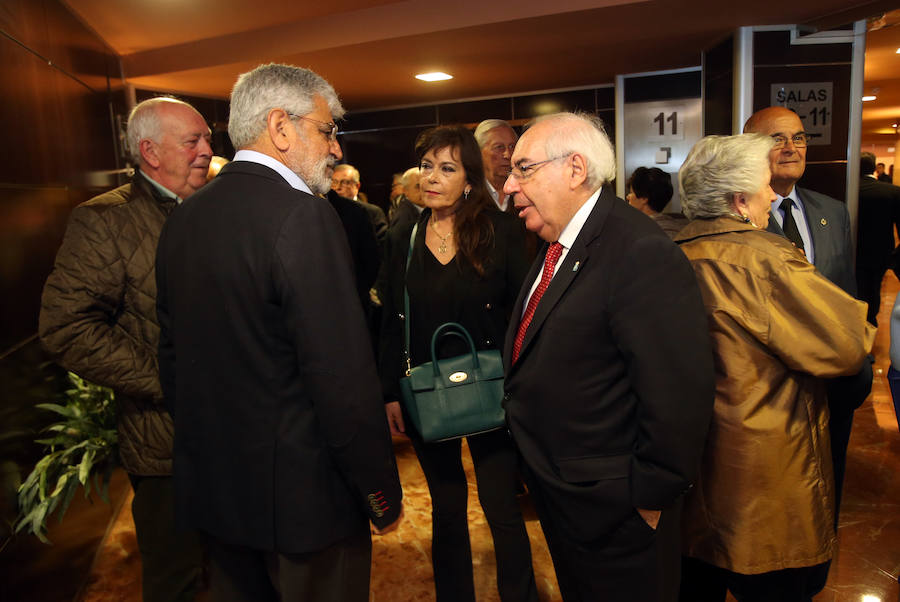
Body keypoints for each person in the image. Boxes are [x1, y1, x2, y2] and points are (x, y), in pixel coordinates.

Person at [155, 63, 402, 602]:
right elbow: (340, 377)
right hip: (305, 506)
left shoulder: (184, 218)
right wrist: (379, 493)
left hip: (219, 497)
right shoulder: (304, 218)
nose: (335, 149)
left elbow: (172, 359)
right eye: (328, 129)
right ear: (281, 127)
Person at [501, 112, 715, 602]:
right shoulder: (560, 243)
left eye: (524, 168)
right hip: (569, 498)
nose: (510, 185)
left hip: (617, 513)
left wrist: (649, 500)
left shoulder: (638, 250)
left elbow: (679, 395)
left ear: (575, 169)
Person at [674, 133, 875, 602]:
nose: (772, 194)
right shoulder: (764, 258)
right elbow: (847, 344)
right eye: (766, 184)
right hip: (764, 473)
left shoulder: (670, 251)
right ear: (740, 199)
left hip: (691, 465)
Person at [39, 96, 211, 602]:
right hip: (165, 445)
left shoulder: (215, 207)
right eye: (192, 141)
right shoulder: (105, 221)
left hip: (233, 435)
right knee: (177, 579)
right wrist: (169, 380)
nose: (207, 150)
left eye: (206, 138)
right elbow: (65, 327)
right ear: (150, 152)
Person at [379, 125, 537, 602]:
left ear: (469, 179)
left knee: (500, 506)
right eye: (427, 166)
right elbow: (390, 318)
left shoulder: (501, 231)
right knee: (447, 508)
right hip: (427, 392)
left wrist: (524, 384)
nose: (431, 177)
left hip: (491, 385)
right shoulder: (404, 236)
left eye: (446, 168)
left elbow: (524, 313)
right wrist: (389, 389)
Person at [743, 106, 872, 538]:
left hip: (834, 384)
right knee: (777, 497)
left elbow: (846, 296)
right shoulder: (739, 219)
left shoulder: (832, 212)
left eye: (798, 138)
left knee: (829, 478)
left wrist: (859, 369)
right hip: (774, 394)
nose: (791, 148)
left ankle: (820, 561)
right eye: (776, 139)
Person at [856, 151, 900, 326]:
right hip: (880, 251)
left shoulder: (846, 189)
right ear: (874, 167)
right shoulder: (892, 192)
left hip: (851, 249)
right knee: (873, 288)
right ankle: (870, 322)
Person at [332, 163, 389, 243]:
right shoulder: (326, 210)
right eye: (334, 182)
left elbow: (381, 246)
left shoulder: (373, 212)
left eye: (345, 182)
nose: (338, 187)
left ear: (357, 186)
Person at [625, 166, 687, 238]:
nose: (627, 197)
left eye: (631, 192)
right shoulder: (680, 229)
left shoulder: (641, 234)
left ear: (644, 198)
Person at [474, 119, 518, 211]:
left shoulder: (525, 191)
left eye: (512, 146)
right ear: (478, 151)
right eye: (499, 147)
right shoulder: (468, 196)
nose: (508, 155)